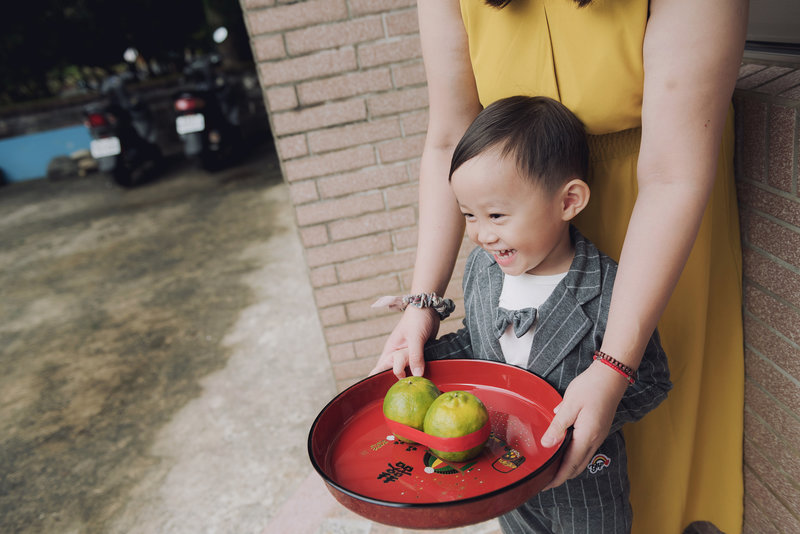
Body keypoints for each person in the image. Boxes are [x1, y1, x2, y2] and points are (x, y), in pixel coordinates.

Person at [370, 1, 748, 533]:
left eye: (482, 220)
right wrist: (422, 309)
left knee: (667, 459)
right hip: (519, 207)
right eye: (467, 219)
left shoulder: (604, 278)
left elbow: (672, 172)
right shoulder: (489, 261)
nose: (475, 231)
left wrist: (611, 373)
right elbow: (449, 137)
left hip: (661, 209)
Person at [382, 95, 673, 532]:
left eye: (497, 214)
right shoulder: (484, 269)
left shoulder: (613, 288)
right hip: (503, 476)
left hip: (583, 486)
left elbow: (652, 379)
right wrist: (422, 360)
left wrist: (582, 421)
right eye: (469, 216)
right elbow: (476, 343)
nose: (481, 234)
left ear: (568, 201)